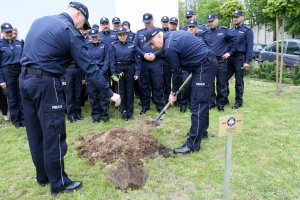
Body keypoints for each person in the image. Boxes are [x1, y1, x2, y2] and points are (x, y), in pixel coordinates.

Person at [19, 2, 121, 195]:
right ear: (77, 15)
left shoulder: (40, 21)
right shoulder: (69, 31)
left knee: (35, 132)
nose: (81, 28)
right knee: (54, 135)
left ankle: (43, 176)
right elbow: (90, 68)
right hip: (46, 84)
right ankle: (59, 184)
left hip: (24, 81)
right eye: (83, 24)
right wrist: (110, 94)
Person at [143, 28, 217, 154]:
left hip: (203, 65)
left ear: (158, 37)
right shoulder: (169, 37)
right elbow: (166, 52)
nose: (152, 47)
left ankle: (192, 145)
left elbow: (176, 73)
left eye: (152, 43)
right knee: (199, 102)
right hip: (202, 63)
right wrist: (156, 55)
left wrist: (173, 93)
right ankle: (201, 131)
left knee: (198, 103)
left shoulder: (169, 47)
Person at [202, 13, 239, 111]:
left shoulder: (224, 31)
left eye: (212, 21)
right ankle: (211, 102)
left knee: (221, 83)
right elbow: (203, 46)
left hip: (221, 60)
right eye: (209, 22)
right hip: (210, 61)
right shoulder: (205, 33)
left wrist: (230, 52)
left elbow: (236, 40)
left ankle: (220, 103)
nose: (210, 23)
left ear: (217, 20)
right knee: (210, 83)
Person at [134, 13, 165, 114]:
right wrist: (143, 54)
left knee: (158, 85)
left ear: (153, 21)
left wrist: (155, 55)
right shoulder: (139, 33)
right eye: (145, 23)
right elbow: (135, 47)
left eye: (149, 22)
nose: (147, 24)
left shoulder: (159, 31)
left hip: (156, 62)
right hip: (144, 63)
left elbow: (164, 46)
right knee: (144, 86)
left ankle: (160, 106)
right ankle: (145, 106)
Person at [110, 27, 140, 120]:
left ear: (127, 35)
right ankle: (123, 111)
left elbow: (137, 60)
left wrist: (137, 72)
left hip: (130, 69)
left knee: (130, 90)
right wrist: (114, 74)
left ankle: (130, 112)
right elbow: (112, 62)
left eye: (124, 34)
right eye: (120, 35)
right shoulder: (114, 45)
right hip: (120, 69)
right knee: (121, 90)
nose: (122, 36)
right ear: (117, 36)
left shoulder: (132, 45)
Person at [226, 10, 253, 109]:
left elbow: (250, 47)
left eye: (237, 17)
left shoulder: (247, 30)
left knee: (239, 81)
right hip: (230, 58)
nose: (235, 18)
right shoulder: (231, 31)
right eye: (233, 17)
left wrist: (247, 61)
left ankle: (239, 101)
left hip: (240, 58)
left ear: (242, 17)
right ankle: (225, 99)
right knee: (224, 79)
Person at [0, 22, 24, 128]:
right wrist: (1, 80)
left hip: (19, 70)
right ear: (2, 32)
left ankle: (23, 119)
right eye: (6, 32)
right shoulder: (0, 45)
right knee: (12, 97)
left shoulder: (18, 43)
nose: (9, 33)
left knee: (21, 96)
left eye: (10, 31)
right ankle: (16, 121)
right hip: (7, 71)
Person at [86, 28, 110, 123]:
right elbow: (85, 61)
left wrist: (102, 71)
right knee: (93, 95)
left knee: (103, 94)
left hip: (102, 72)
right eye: (92, 37)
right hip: (91, 73)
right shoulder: (86, 46)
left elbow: (107, 59)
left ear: (98, 36)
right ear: (90, 37)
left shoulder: (104, 45)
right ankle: (96, 116)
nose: (94, 38)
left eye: (95, 36)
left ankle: (104, 115)